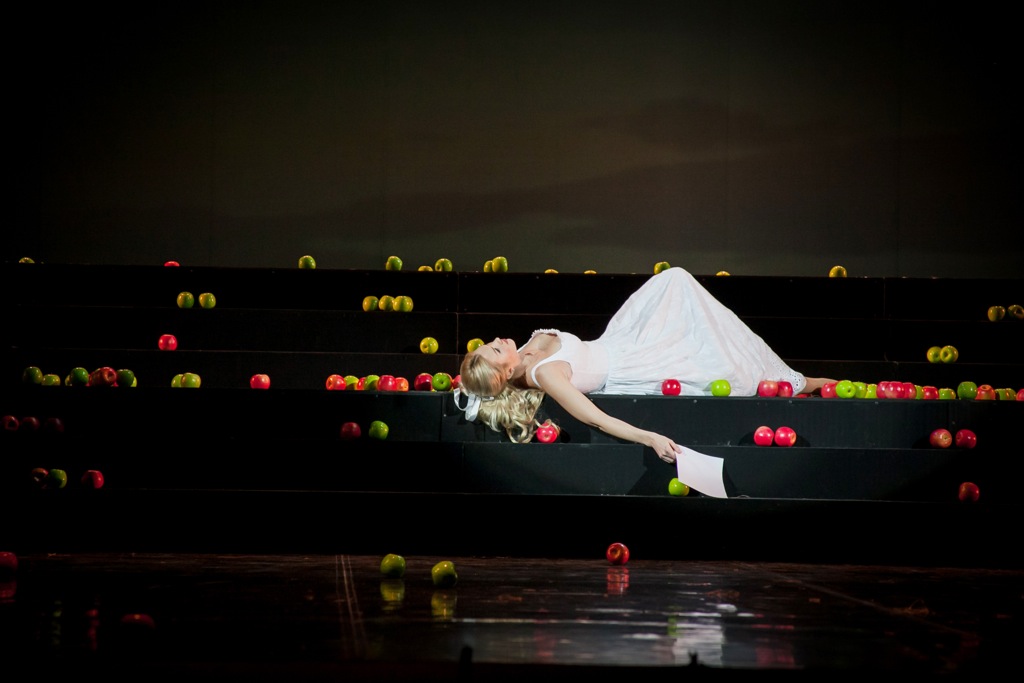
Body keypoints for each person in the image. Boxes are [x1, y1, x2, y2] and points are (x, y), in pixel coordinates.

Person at [455, 266, 834, 464]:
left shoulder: (523, 355)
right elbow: (595, 419)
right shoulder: (547, 373)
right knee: (731, 368)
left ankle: (799, 379)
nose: (499, 340)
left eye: (491, 343)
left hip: (623, 340)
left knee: (674, 280)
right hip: (636, 366)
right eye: (496, 350)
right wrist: (649, 438)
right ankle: (804, 382)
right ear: (506, 372)